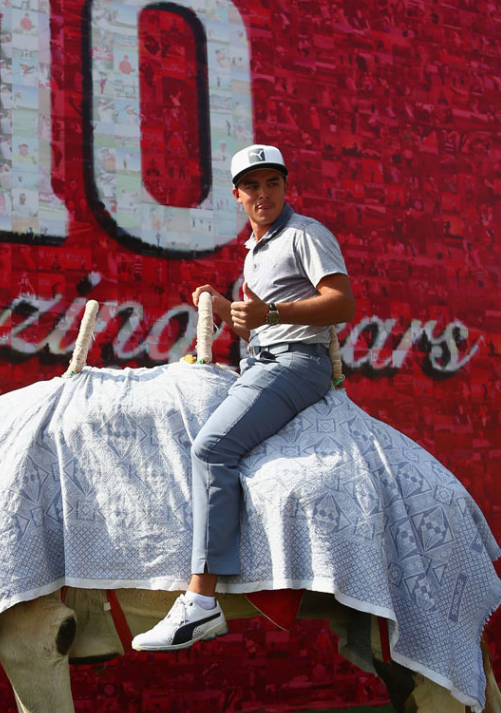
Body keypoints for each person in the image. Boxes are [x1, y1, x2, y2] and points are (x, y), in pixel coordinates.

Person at [133, 143, 355, 651]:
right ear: (237, 195)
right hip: (263, 362)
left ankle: (201, 602)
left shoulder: (305, 233)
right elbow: (256, 322)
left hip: (298, 365)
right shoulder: (256, 249)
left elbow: (342, 302)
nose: (263, 194)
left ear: (284, 187)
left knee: (212, 448)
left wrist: (269, 315)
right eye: (252, 186)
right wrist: (223, 304)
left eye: (272, 183)